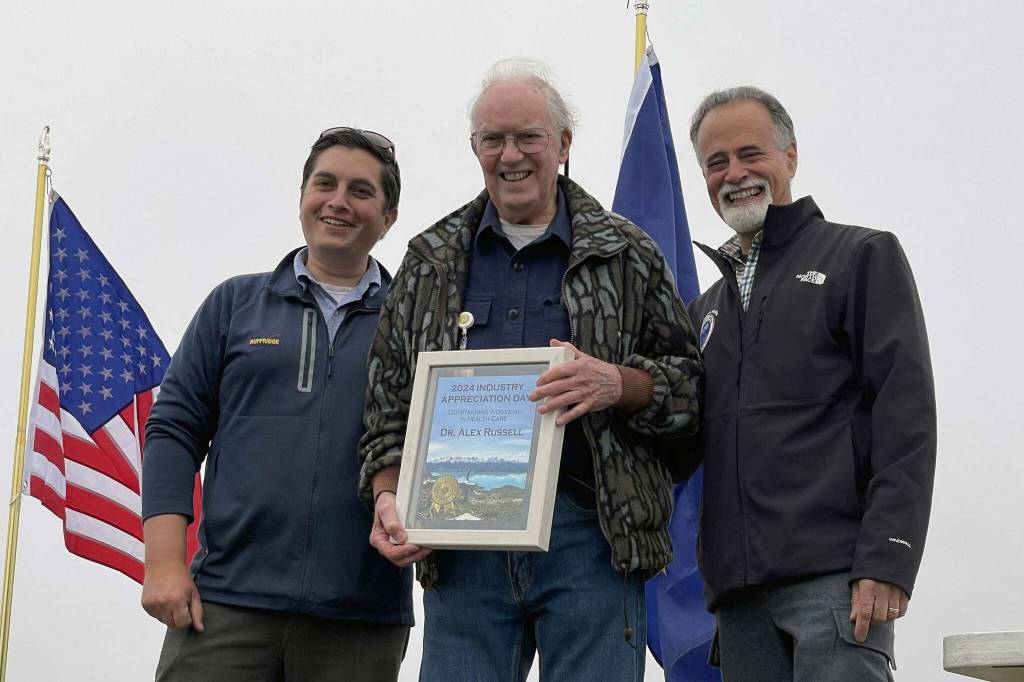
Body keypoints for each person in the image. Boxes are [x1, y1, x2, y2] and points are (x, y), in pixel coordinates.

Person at [357, 58, 702, 681]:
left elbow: (690, 391)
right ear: (475, 148)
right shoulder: (430, 259)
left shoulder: (629, 254)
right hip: (458, 546)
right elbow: (387, 405)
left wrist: (616, 383)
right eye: (492, 139)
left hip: (592, 539)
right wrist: (388, 495)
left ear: (563, 144)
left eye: (528, 137)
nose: (510, 154)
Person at [140, 128, 412, 682]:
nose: (338, 201)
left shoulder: (415, 322)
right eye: (325, 183)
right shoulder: (234, 304)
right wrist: (163, 565)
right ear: (302, 197)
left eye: (361, 191)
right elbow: (173, 431)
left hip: (362, 620)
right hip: (223, 609)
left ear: (388, 217)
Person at [687, 86, 936, 680]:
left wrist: (889, 557)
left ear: (790, 156)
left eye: (751, 154)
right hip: (738, 599)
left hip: (838, 584)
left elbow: (906, 418)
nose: (735, 174)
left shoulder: (861, 255)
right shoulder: (701, 310)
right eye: (716, 162)